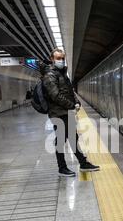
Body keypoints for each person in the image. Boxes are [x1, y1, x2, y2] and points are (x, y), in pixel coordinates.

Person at [42, 49, 100, 177]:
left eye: (62, 58)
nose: (61, 60)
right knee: (61, 140)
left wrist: (77, 102)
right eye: (58, 58)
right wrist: (71, 105)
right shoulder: (49, 75)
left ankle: (83, 163)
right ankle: (63, 168)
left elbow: (70, 91)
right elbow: (55, 95)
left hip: (66, 112)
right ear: (52, 59)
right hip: (58, 113)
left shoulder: (63, 74)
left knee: (73, 138)